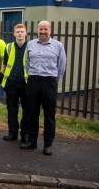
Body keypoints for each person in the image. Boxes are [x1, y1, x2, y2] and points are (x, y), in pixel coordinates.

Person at [20, 20, 66, 156]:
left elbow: (62, 65)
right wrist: (31, 77)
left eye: (45, 29)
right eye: (41, 29)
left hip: (49, 82)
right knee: (32, 113)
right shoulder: (31, 44)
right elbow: (27, 63)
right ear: (37, 30)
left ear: (50, 30)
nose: (43, 32)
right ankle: (32, 142)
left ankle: (47, 145)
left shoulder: (58, 45)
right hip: (33, 81)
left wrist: (54, 79)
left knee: (49, 115)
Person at [2, 23, 29, 143]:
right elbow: (5, 64)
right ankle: (12, 133)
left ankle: (25, 134)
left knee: (27, 110)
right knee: (12, 110)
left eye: (22, 31)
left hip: (26, 84)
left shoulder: (31, 47)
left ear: (26, 33)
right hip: (12, 83)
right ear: (13, 34)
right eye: (17, 32)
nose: (19, 33)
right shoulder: (8, 47)